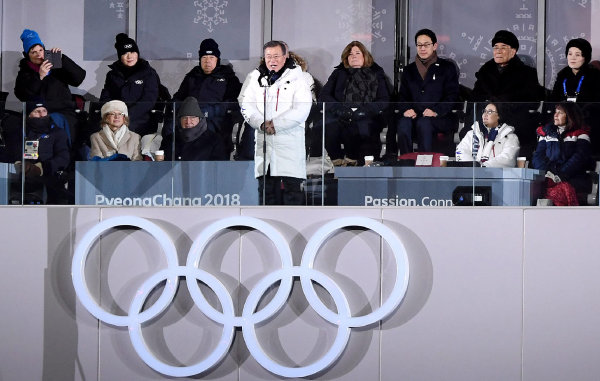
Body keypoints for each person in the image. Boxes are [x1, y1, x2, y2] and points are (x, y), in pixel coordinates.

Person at [238, 40, 312, 205]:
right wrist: (261, 123)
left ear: (285, 57)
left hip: (289, 146)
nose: (272, 60)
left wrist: (276, 125)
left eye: (276, 56)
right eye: (268, 56)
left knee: (293, 195)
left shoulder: (299, 78)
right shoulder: (256, 77)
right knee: (266, 194)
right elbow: (246, 105)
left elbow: (302, 110)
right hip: (264, 147)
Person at [470, 30, 544, 156]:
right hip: (486, 118)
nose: (498, 51)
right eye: (495, 47)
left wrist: (502, 103)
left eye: (503, 48)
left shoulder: (527, 73)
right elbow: (475, 98)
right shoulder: (485, 71)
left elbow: (531, 101)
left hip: (513, 119)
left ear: (513, 51)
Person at [318, 41, 390, 166]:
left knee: (362, 129)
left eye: (357, 53)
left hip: (367, 115)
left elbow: (384, 99)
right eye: (350, 54)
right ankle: (339, 162)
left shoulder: (376, 73)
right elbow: (324, 96)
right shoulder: (338, 73)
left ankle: (356, 162)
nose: (354, 56)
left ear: (364, 56)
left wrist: (367, 110)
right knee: (329, 127)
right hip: (341, 114)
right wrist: (338, 109)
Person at [15, 29, 86, 145]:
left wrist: (63, 59)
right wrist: (40, 76)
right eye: (33, 52)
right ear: (27, 55)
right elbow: (22, 95)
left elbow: (79, 79)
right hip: (39, 113)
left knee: (63, 123)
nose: (39, 54)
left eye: (41, 50)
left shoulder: (56, 66)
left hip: (63, 111)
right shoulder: (24, 73)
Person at [171, 38, 242, 154]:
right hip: (192, 126)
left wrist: (212, 110)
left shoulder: (229, 78)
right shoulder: (192, 76)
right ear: (200, 60)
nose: (207, 61)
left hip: (217, 124)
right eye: (204, 58)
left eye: (211, 58)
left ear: (217, 59)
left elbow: (235, 103)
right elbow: (178, 99)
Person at [395, 28, 459, 154]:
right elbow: (402, 96)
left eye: (426, 45)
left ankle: (425, 165)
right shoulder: (409, 70)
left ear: (434, 46)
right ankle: (406, 162)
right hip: (415, 115)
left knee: (424, 123)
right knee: (403, 124)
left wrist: (436, 111)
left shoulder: (447, 67)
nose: (422, 48)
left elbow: (452, 96)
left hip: (440, 117)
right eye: (419, 45)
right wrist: (406, 109)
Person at [532, 103, 594, 206]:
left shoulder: (581, 133)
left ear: (570, 116)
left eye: (560, 113)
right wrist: (545, 174)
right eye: (555, 112)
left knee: (560, 193)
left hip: (572, 178)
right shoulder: (547, 133)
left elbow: (579, 158)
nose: (555, 115)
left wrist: (560, 175)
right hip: (548, 177)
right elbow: (538, 157)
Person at [99, 33, 160, 137]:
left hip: (141, 120)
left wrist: (126, 116)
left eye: (132, 52)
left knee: (126, 132)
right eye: (125, 53)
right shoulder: (112, 75)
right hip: (114, 118)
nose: (129, 56)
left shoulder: (148, 73)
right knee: (95, 130)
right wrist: (113, 115)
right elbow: (106, 98)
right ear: (119, 56)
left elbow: (149, 100)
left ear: (137, 53)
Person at [550, 38, 600, 154]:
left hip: (586, 122)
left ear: (585, 57)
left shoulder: (594, 76)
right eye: (570, 54)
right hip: (563, 123)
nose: (572, 58)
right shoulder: (562, 75)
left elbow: (596, 103)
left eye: (577, 55)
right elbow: (553, 100)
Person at [15, 100, 71, 204]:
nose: (41, 114)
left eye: (44, 110)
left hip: (50, 180)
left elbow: (63, 157)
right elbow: (13, 153)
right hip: (24, 181)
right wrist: (18, 165)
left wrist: (41, 168)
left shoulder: (58, 132)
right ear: (29, 115)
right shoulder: (21, 132)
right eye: (37, 111)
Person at [159, 96, 227, 161]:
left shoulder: (213, 140)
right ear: (179, 120)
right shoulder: (169, 139)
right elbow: (159, 167)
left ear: (199, 119)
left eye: (192, 117)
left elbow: (219, 169)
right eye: (184, 117)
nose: (188, 121)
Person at [455, 103, 519, 167]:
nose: (485, 114)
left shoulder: (510, 137)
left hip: (496, 175)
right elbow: (460, 152)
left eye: (490, 112)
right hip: (471, 174)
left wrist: (482, 167)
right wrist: (472, 167)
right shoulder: (471, 134)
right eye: (484, 111)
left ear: (499, 116)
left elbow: (508, 159)